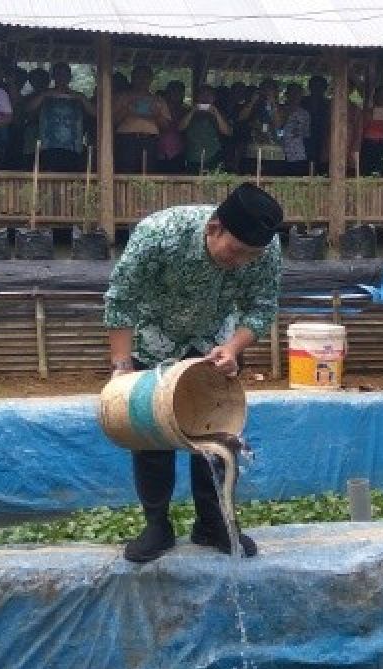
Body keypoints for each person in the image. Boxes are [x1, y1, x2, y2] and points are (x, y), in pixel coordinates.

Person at [104, 183, 283, 563]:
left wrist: (233, 348)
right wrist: (122, 370)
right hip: (154, 338)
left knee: (217, 432)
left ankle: (213, 522)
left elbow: (261, 306)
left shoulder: (264, 252)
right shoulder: (159, 234)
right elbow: (121, 298)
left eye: (253, 256)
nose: (244, 262)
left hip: (215, 341)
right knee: (150, 434)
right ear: (214, 228)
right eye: (237, 252)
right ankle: (157, 525)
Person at [28, 62, 95, 172]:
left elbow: (95, 113)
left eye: (65, 74)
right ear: (53, 76)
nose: (62, 77)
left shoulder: (79, 97)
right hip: (49, 145)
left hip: (73, 146)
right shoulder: (45, 95)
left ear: (70, 77)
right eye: (58, 74)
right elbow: (28, 109)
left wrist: (82, 99)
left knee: (72, 178)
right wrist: (44, 94)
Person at [113, 65, 169, 174]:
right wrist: (126, 110)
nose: (142, 80)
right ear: (132, 78)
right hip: (127, 140)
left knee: (148, 172)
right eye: (138, 76)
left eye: (145, 77)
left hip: (150, 141)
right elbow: (112, 122)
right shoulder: (122, 97)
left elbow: (166, 127)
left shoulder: (158, 100)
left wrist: (157, 115)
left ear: (151, 79)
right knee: (126, 172)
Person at [180, 85, 231, 174]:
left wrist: (216, 113)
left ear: (214, 98)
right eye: (202, 94)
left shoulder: (219, 113)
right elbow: (180, 128)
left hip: (213, 155)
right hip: (193, 156)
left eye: (209, 95)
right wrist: (193, 111)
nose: (205, 98)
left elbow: (227, 132)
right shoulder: (188, 111)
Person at [360, 86, 383, 176]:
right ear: (374, 97)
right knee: (367, 172)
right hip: (368, 144)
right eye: (379, 95)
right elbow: (361, 130)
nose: (382, 99)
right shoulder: (367, 112)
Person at [156, 80, 188, 174]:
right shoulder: (158, 109)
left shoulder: (186, 111)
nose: (176, 94)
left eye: (179, 91)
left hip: (178, 152)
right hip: (158, 151)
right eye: (173, 91)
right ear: (167, 92)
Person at [279, 84, 311, 176]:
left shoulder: (305, 114)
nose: (294, 96)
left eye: (297, 94)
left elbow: (306, 135)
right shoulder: (279, 110)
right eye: (292, 93)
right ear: (287, 95)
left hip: (298, 155)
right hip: (280, 153)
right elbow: (277, 131)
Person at [303, 75, 330, 174]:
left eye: (320, 87)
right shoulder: (302, 101)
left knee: (322, 163)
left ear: (325, 89)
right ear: (309, 87)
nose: (317, 89)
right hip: (305, 138)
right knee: (306, 163)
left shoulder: (330, 104)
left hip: (324, 137)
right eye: (314, 86)